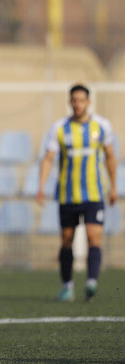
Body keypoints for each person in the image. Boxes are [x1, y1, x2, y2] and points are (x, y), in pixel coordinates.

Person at [36, 84, 118, 302]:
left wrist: (114, 187)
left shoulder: (102, 126)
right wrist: (41, 187)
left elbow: (110, 156)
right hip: (67, 194)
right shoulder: (59, 128)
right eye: (74, 100)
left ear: (88, 102)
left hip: (94, 195)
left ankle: (91, 283)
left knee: (94, 238)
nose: (78, 104)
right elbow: (48, 158)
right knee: (66, 240)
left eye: (81, 100)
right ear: (70, 102)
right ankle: (67, 286)